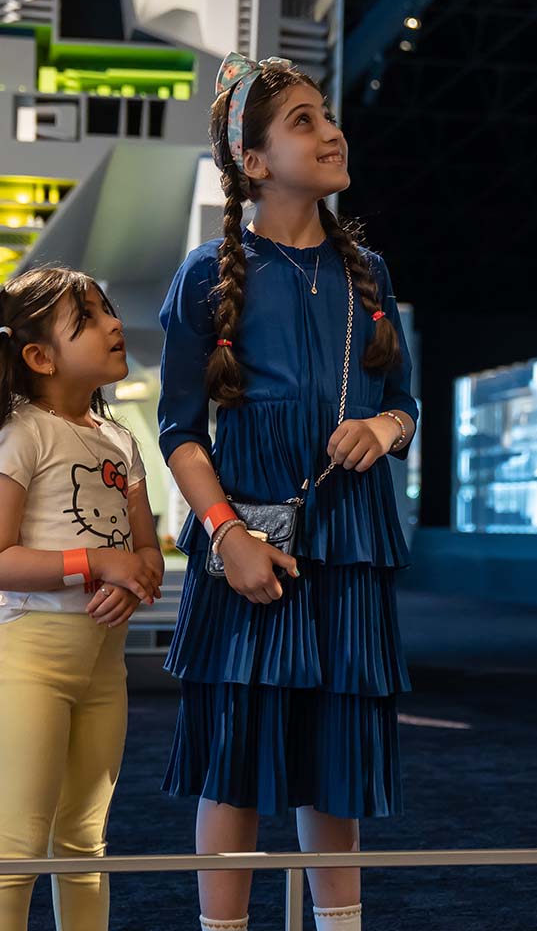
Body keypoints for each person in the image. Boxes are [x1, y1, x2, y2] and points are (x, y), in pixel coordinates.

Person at [158, 53, 418, 931]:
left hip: (350, 533)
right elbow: (179, 432)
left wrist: (384, 431)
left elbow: (406, 405)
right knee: (233, 758)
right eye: (302, 120)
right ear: (256, 162)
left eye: (326, 113)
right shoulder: (206, 276)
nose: (330, 129)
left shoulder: (368, 274)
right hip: (245, 542)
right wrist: (226, 537)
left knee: (335, 759)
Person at [0, 266, 164, 930]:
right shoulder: (23, 435)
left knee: (84, 842)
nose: (114, 324)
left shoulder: (121, 441)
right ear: (39, 356)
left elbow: (148, 552)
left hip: (104, 667)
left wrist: (134, 582)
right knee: (14, 845)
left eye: (109, 311)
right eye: (89, 319)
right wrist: (96, 562)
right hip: (29, 661)